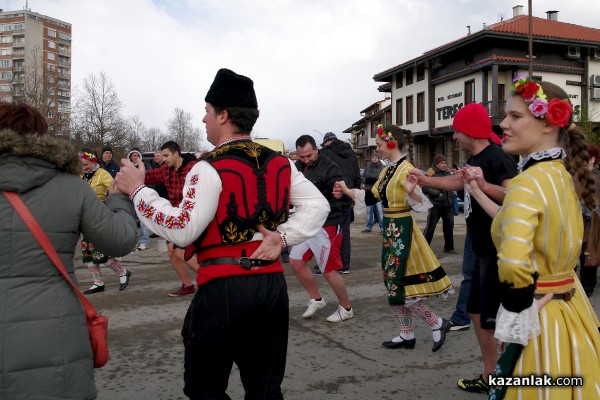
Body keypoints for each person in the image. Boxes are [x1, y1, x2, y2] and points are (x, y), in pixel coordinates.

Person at [114, 68, 329, 399]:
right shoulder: (281, 164)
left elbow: (182, 228)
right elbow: (318, 206)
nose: (203, 119)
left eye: (207, 111)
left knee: (204, 386)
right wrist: (282, 238)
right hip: (270, 287)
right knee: (265, 387)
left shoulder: (208, 166)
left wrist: (139, 192)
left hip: (225, 289)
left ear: (224, 115)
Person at [462, 76, 600, 399]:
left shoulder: (526, 183)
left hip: (538, 311)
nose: (502, 124)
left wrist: (516, 306)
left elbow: (512, 261)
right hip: (570, 303)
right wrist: (478, 192)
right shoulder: (562, 176)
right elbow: (517, 225)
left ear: (548, 124)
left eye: (515, 116)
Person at [0, 102, 137, 399]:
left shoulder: (83, 181)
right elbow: (122, 240)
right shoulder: (72, 187)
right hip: (56, 332)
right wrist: (120, 200)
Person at [408, 103, 517, 393]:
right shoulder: (477, 156)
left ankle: (506, 379)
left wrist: (480, 185)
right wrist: (425, 179)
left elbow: (515, 195)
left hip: (499, 252)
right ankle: (491, 375)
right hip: (479, 246)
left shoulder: (498, 157)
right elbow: (459, 181)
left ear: (470, 131)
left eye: (457, 130)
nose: (455, 136)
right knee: (479, 315)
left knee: (498, 319)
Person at [335, 124, 454, 352]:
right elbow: (372, 197)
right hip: (391, 229)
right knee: (392, 281)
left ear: (391, 143)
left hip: (403, 230)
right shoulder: (388, 170)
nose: (376, 149)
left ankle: (437, 322)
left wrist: (411, 192)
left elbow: (421, 204)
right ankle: (406, 332)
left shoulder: (406, 169)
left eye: (379, 145)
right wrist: (348, 190)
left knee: (399, 282)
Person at [290, 134, 354, 322]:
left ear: (316, 149)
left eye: (309, 155)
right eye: (301, 157)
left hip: (327, 224)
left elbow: (344, 193)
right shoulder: (298, 167)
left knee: (328, 269)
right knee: (295, 261)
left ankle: (346, 308)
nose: (306, 160)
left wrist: (340, 194)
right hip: (307, 222)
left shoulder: (330, 167)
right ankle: (316, 298)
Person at [143, 140, 199, 296]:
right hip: (174, 216)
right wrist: (130, 176)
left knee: (180, 252)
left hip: (192, 216)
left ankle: (210, 280)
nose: (164, 159)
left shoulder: (194, 168)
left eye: (166, 155)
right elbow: (148, 176)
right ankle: (187, 285)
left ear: (176, 153)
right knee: (171, 251)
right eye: (162, 156)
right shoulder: (165, 170)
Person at [79, 147, 133, 294]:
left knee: (101, 252)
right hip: (85, 219)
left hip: (99, 218)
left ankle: (122, 272)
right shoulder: (82, 176)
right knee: (87, 253)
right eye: (82, 164)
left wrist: (113, 206)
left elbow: (115, 189)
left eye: (86, 164)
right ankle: (98, 282)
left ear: (93, 160)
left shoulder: (102, 174)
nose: (83, 167)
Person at [321, 131, 361, 273]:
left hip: (330, 198)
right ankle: (345, 265)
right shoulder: (350, 153)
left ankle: (326, 263)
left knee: (327, 232)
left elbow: (322, 177)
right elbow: (357, 176)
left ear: (326, 142)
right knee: (345, 232)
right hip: (347, 197)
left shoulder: (325, 153)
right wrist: (354, 196)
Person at [422, 154, 456, 253]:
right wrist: (437, 194)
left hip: (447, 204)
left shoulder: (447, 171)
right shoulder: (430, 172)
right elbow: (424, 187)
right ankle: (424, 248)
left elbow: (452, 182)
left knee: (449, 225)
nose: (444, 165)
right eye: (442, 163)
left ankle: (449, 248)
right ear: (436, 164)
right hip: (435, 205)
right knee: (430, 227)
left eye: (445, 162)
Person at [580, 143, 600, 296]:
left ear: (593, 159)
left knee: (589, 256)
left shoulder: (596, 178)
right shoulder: (577, 177)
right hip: (579, 224)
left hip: (593, 224)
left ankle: (587, 289)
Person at [128, 147, 152, 251]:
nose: (136, 157)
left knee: (143, 220)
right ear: (130, 157)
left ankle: (144, 241)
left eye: (137, 155)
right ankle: (131, 242)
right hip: (130, 196)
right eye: (134, 155)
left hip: (143, 196)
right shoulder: (127, 167)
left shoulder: (146, 166)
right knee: (131, 220)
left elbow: (151, 180)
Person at [362, 152, 385, 234]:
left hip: (377, 192)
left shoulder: (382, 168)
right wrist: (367, 180)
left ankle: (383, 228)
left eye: (376, 157)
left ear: (378, 159)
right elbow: (362, 177)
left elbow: (383, 179)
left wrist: (375, 180)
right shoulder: (367, 167)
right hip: (368, 192)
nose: (374, 159)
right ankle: (369, 227)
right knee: (369, 211)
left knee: (380, 211)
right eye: (373, 157)